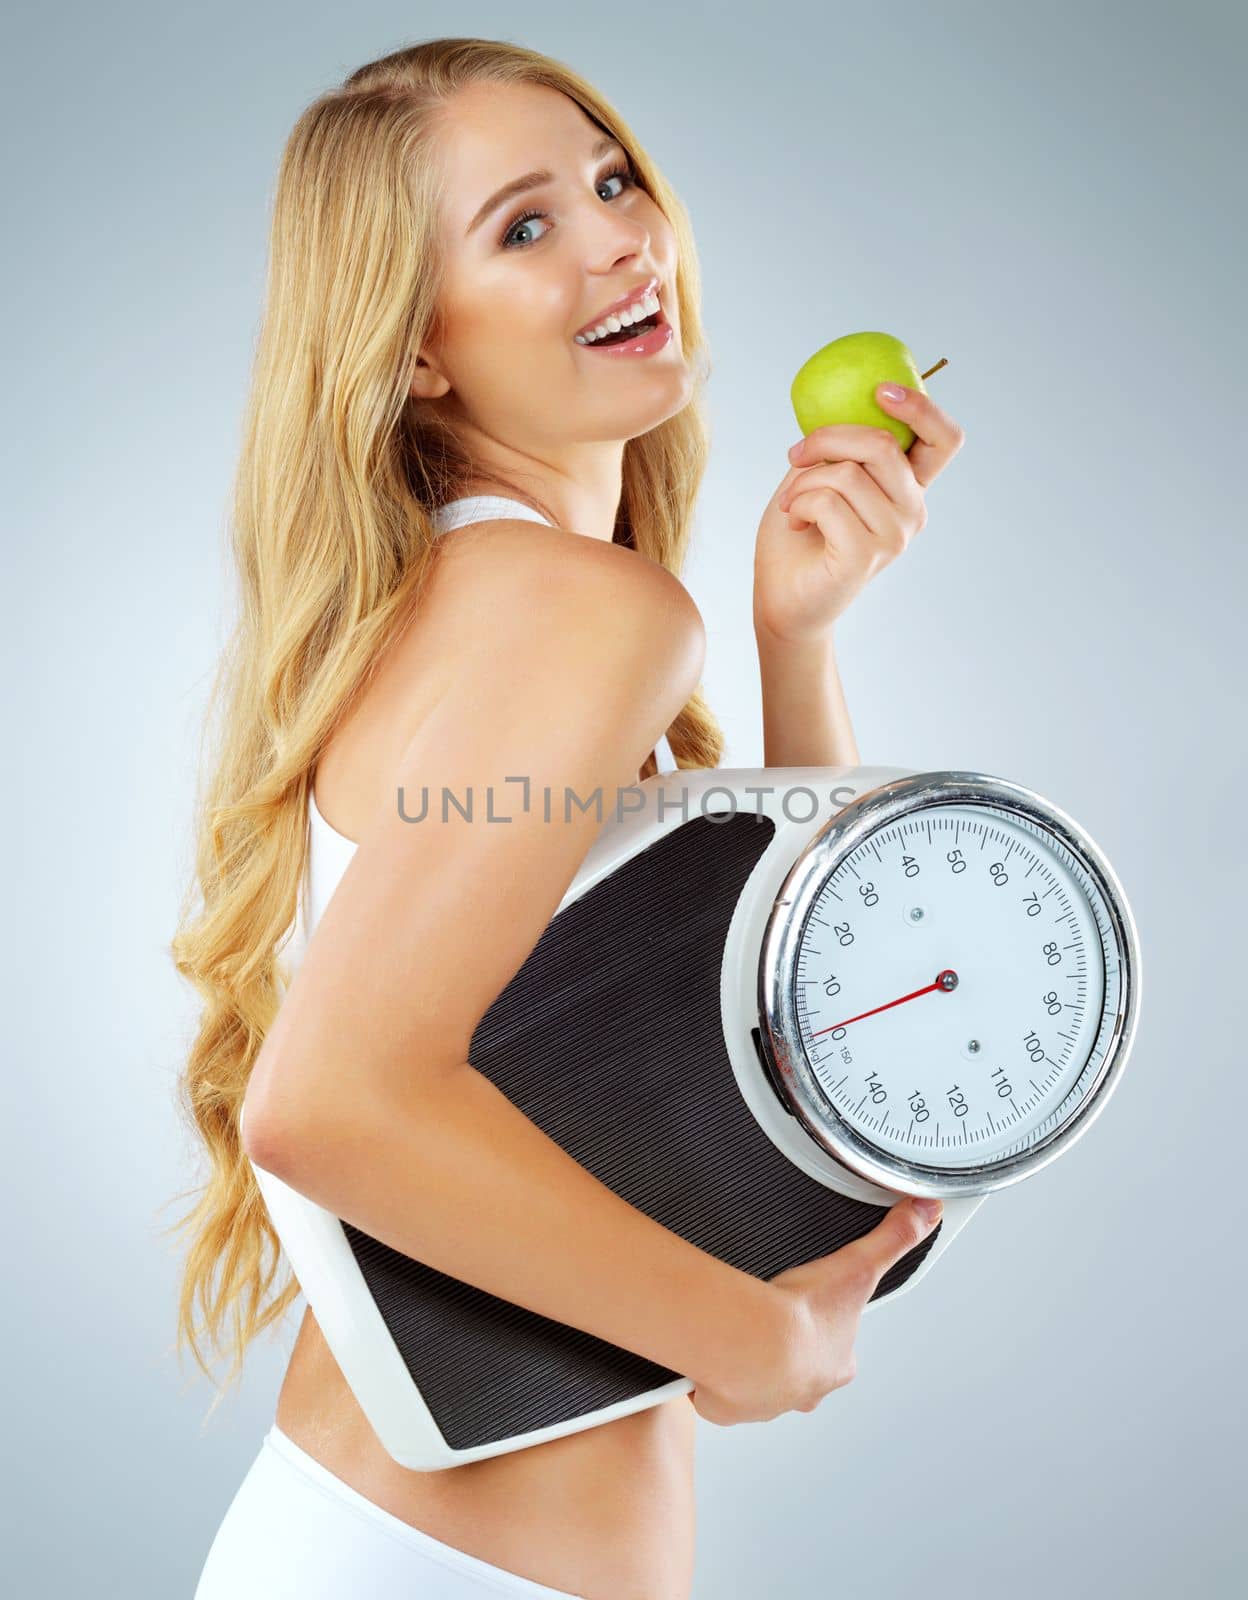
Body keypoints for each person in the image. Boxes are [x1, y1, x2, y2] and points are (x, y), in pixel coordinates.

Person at [170, 34, 965, 1600]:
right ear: (416, 350)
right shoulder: (572, 610)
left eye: (612, 181)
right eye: (523, 226)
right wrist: (748, 1337)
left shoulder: (478, 601)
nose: (616, 238)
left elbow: (764, 1050)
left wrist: (796, 643)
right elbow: (329, 1107)